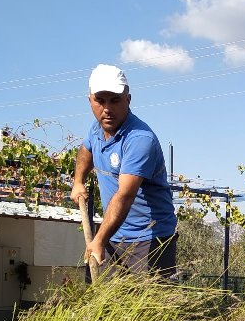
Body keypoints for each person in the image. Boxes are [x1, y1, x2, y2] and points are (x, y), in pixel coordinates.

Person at [70, 64, 177, 277]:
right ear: (90, 100)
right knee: (104, 304)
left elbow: (125, 195)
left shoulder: (139, 140)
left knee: (148, 308)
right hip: (114, 233)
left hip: (150, 240)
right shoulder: (97, 127)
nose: (107, 109)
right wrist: (78, 181)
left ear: (128, 99)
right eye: (100, 101)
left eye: (115, 100)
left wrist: (98, 240)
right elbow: (86, 150)